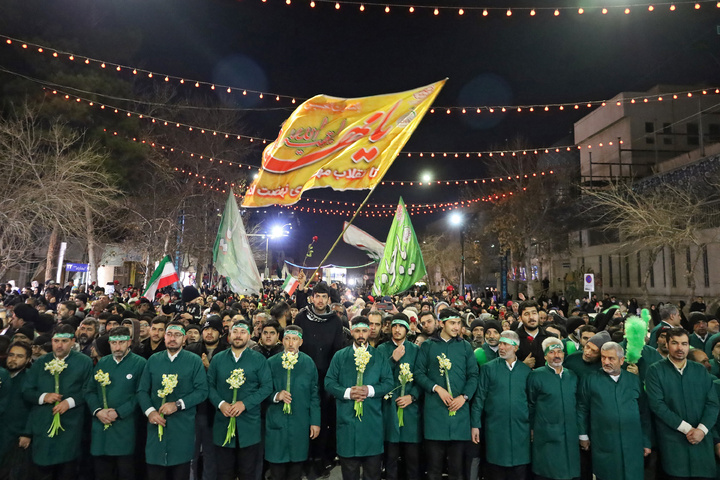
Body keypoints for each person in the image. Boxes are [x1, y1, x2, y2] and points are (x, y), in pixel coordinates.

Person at [137, 321, 208, 480]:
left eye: (177, 335)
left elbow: (202, 391)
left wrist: (178, 405)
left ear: (184, 339)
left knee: (180, 471)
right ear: (164, 338)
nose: (172, 338)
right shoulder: (153, 360)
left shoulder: (194, 361)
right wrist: (150, 412)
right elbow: (142, 390)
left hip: (182, 426)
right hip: (155, 426)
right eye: (169, 334)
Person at [324, 316, 393, 480]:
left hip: (372, 424)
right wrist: (348, 392)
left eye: (364, 331)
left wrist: (369, 390)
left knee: (372, 473)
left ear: (369, 332)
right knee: (349, 473)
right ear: (351, 332)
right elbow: (329, 382)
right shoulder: (340, 356)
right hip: (347, 422)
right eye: (357, 331)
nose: (360, 334)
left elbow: (389, 383)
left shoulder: (379, 356)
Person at [645, 327, 719, 480]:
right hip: (673, 440)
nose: (680, 348)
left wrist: (701, 430)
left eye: (684, 344)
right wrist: (687, 429)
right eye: (675, 343)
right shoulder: (655, 371)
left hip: (702, 440)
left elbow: (712, 403)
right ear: (667, 344)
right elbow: (657, 405)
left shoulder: (700, 370)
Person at [22, 324, 94, 480]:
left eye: (64, 341)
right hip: (43, 423)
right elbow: (27, 391)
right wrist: (43, 397)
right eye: (56, 341)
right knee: (42, 469)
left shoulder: (84, 362)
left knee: (67, 469)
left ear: (73, 341)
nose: (59, 345)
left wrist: (70, 402)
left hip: (71, 425)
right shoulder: (41, 362)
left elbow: (88, 390)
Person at [415, 308, 479, 480]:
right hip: (435, 415)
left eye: (459, 323)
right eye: (452, 323)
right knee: (434, 469)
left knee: (457, 470)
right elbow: (419, 374)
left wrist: (464, 397)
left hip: (459, 415)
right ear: (441, 323)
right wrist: (436, 387)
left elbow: (473, 375)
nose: (457, 327)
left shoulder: (465, 346)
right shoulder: (428, 345)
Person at [293, 279, 345, 476]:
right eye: (318, 296)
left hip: (325, 378)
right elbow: (294, 345)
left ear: (329, 299)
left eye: (324, 297)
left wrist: (332, 381)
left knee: (322, 419)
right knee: (302, 416)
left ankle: (319, 459)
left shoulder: (335, 321)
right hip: (303, 376)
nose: (321, 300)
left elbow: (337, 352)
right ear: (312, 298)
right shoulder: (301, 318)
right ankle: (302, 458)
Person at [208, 320, 272, 480]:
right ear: (229, 335)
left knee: (248, 472)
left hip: (249, 423)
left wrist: (245, 403)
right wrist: (221, 404)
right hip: (223, 421)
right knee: (223, 472)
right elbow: (208, 386)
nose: (238, 335)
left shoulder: (258, 359)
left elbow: (266, 387)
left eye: (242, 332)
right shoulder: (218, 359)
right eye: (235, 332)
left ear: (249, 336)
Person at [577, 342, 652, 480]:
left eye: (611, 358)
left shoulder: (634, 380)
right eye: (603, 358)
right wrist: (583, 435)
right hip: (603, 441)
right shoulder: (590, 379)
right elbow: (582, 408)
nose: (606, 362)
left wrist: (646, 441)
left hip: (633, 442)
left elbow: (644, 413)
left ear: (621, 360)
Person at [86, 326, 147, 480]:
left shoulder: (140, 363)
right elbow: (89, 390)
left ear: (129, 343)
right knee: (102, 471)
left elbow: (141, 394)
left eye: (121, 342)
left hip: (126, 426)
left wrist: (119, 412)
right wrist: (97, 410)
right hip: (101, 425)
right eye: (114, 343)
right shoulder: (103, 362)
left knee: (126, 471)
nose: (117, 347)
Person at [471, 330, 531, 479]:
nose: (501, 348)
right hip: (495, 428)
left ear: (515, 348)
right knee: (495, 468)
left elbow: (532, 402)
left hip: (521, 429)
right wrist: (475, 424)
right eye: (500, 344)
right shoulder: (488, 369)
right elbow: (479, 398)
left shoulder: (526, 371)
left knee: (519, 468)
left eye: (505, 344)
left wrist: (533, 427)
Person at [265, 325, 321, 480]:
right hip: (277, 422)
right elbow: (262, 391)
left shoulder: (308, 363)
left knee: (296, 471)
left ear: (300, 342)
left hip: (300, 422)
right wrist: (276, 396)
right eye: (287, 339)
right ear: (282, 341)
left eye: (294, 339)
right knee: (276, 471)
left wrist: (315, 422)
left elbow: (314, 395)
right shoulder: (271, 363)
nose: (291, 343)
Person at [527, 337, 580, 480]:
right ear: (545, 356)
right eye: (552, 352)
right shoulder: (536, 375)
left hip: (570, 433)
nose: (556, 355)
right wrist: (532, 428)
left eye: (559, 352)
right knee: (547, 472)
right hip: (546, 433)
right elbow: (531, 404)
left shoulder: (572, 376)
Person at [376, 314, 421, 480]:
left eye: (401, 326)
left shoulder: (416, 350)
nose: (397, 329)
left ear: (407, 329)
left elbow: (422, 378)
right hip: (389, 409)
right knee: (390, 459)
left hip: (410, 411)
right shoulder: (382, 349)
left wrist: (413, 396)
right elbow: (376, 376)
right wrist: (392, 360)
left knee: (412, 460)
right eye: (394, 326)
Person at [0, 341, 32, 479]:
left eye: (19, 356)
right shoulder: (2, 375)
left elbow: (35, 409)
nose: (13, 359)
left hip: (16, 434)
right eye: (11, 355)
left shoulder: (31, 379)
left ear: (28, 360)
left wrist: (27, 433)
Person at [515, 300, 549, 369]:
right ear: (520, 318)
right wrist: (522, 365)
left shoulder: (550, 338)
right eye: (526, 314)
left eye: (534, 313)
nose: (531, 317)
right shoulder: (513, 339)